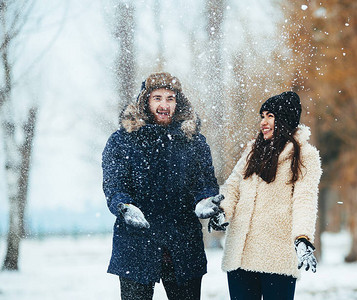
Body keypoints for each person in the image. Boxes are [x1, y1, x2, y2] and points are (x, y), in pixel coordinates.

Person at [102, 72, 219, 300]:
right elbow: (114, 184)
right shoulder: (123, 140)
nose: (164, 105)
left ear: (178, 102)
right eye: (157, 98)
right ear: (145, 101)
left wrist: (206, 200)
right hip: (137, 245)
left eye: (170, 98)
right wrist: (124, 206)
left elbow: (205, 183)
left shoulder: (193, 141)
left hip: (183, 245)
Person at [196, 91, 322, 300]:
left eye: (270, 116)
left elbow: (305, 200)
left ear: (285, 120)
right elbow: (233, 186)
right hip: (240, 255)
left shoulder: (304, 156)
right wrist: (222, 212)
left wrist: (302, 238)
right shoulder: (253, 151)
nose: (263, 122)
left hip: (276, 256)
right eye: (262, 116)